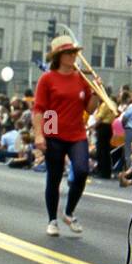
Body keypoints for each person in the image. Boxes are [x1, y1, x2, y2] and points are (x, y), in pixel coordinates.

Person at [32, 35, 101, 237]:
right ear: (59, 56)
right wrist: (39, 135)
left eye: (74, 52)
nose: (73, 56)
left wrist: (96, 92)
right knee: (54, 177)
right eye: (68, 53)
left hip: (77, 132)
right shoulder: (47, 78)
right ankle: (52, 219)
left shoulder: (82, 78)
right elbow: (39, 109)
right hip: (53, 130)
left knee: (81, 171)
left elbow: (89, 108)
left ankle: (69, 211)